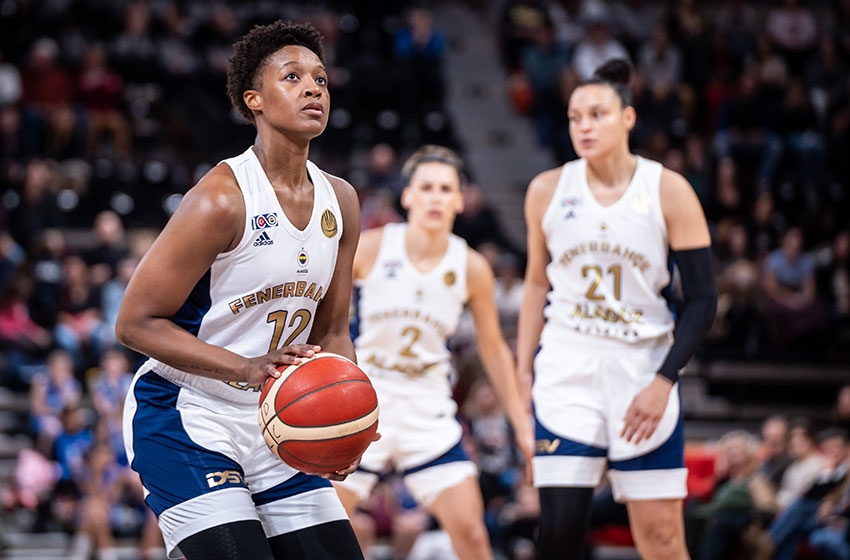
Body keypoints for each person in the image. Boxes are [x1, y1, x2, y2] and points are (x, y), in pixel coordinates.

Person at [115, 21, 369, 560]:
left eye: (321, 79)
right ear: (254, 100)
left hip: (280, 415)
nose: (312, 88)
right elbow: (134, 323)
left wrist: (345, 420)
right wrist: (245, 367)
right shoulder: (221, 199)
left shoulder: (342, 200)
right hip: (187, 412)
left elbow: (332, 331)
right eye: (292, 77)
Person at [516, 59, 717, 560]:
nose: (583, 126)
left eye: (597, 115)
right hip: (567, 365)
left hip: (642, 367)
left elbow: (702, 299)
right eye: (574, 117)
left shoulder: (668, 189)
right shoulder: (547, 189)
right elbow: (536, 283)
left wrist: (664, 380)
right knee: (558, 535)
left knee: (662, 538)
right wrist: (522, 371)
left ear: (628, 117)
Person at [333, 145, 535, 559]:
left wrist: (523, 425)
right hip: (365, 398)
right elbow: (324, 315)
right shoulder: (371, 247)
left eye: (446, 189)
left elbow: (494, 350)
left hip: (429, 406)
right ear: (408, 195)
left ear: (460, 200)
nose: (435, 197)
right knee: (321, 526)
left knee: (473, 537)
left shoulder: (471, 266)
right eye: (426, 187)